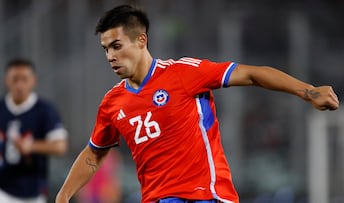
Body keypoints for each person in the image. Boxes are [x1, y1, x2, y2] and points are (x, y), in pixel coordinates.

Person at [55, 5, 339, 203]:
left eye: (116, 46)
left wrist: (309, 91)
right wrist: (64, 195)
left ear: (141, 40)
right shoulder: (112, 102)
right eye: (105, 49)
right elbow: (94, 153)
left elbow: (252, 74)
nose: (110, 56)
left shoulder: (183, 72)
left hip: (209, 195)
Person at [0, 58, 68, 203]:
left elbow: (61, 146)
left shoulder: (45, 110)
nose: (19, 84)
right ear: (6, 81)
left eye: (24, 79)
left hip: (32, 191)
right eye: (15, 79)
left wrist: (32, 146)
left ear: (33, 81)